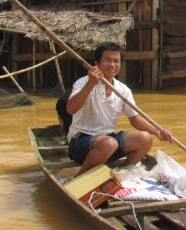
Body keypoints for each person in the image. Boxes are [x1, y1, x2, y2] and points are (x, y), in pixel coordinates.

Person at [66, 42, 172, 177]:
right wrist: (90, 84)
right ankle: (79, 178)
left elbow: (135, 119)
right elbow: (71, 109)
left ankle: (123, 173)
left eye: (116, 61)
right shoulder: (83, 82)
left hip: (109, 142)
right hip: (80, 141)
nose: (112, 65)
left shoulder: (122, 90)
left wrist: (157, 131)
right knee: (109, 143)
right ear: (96, 63)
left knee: (145, 139)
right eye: (107, 60)